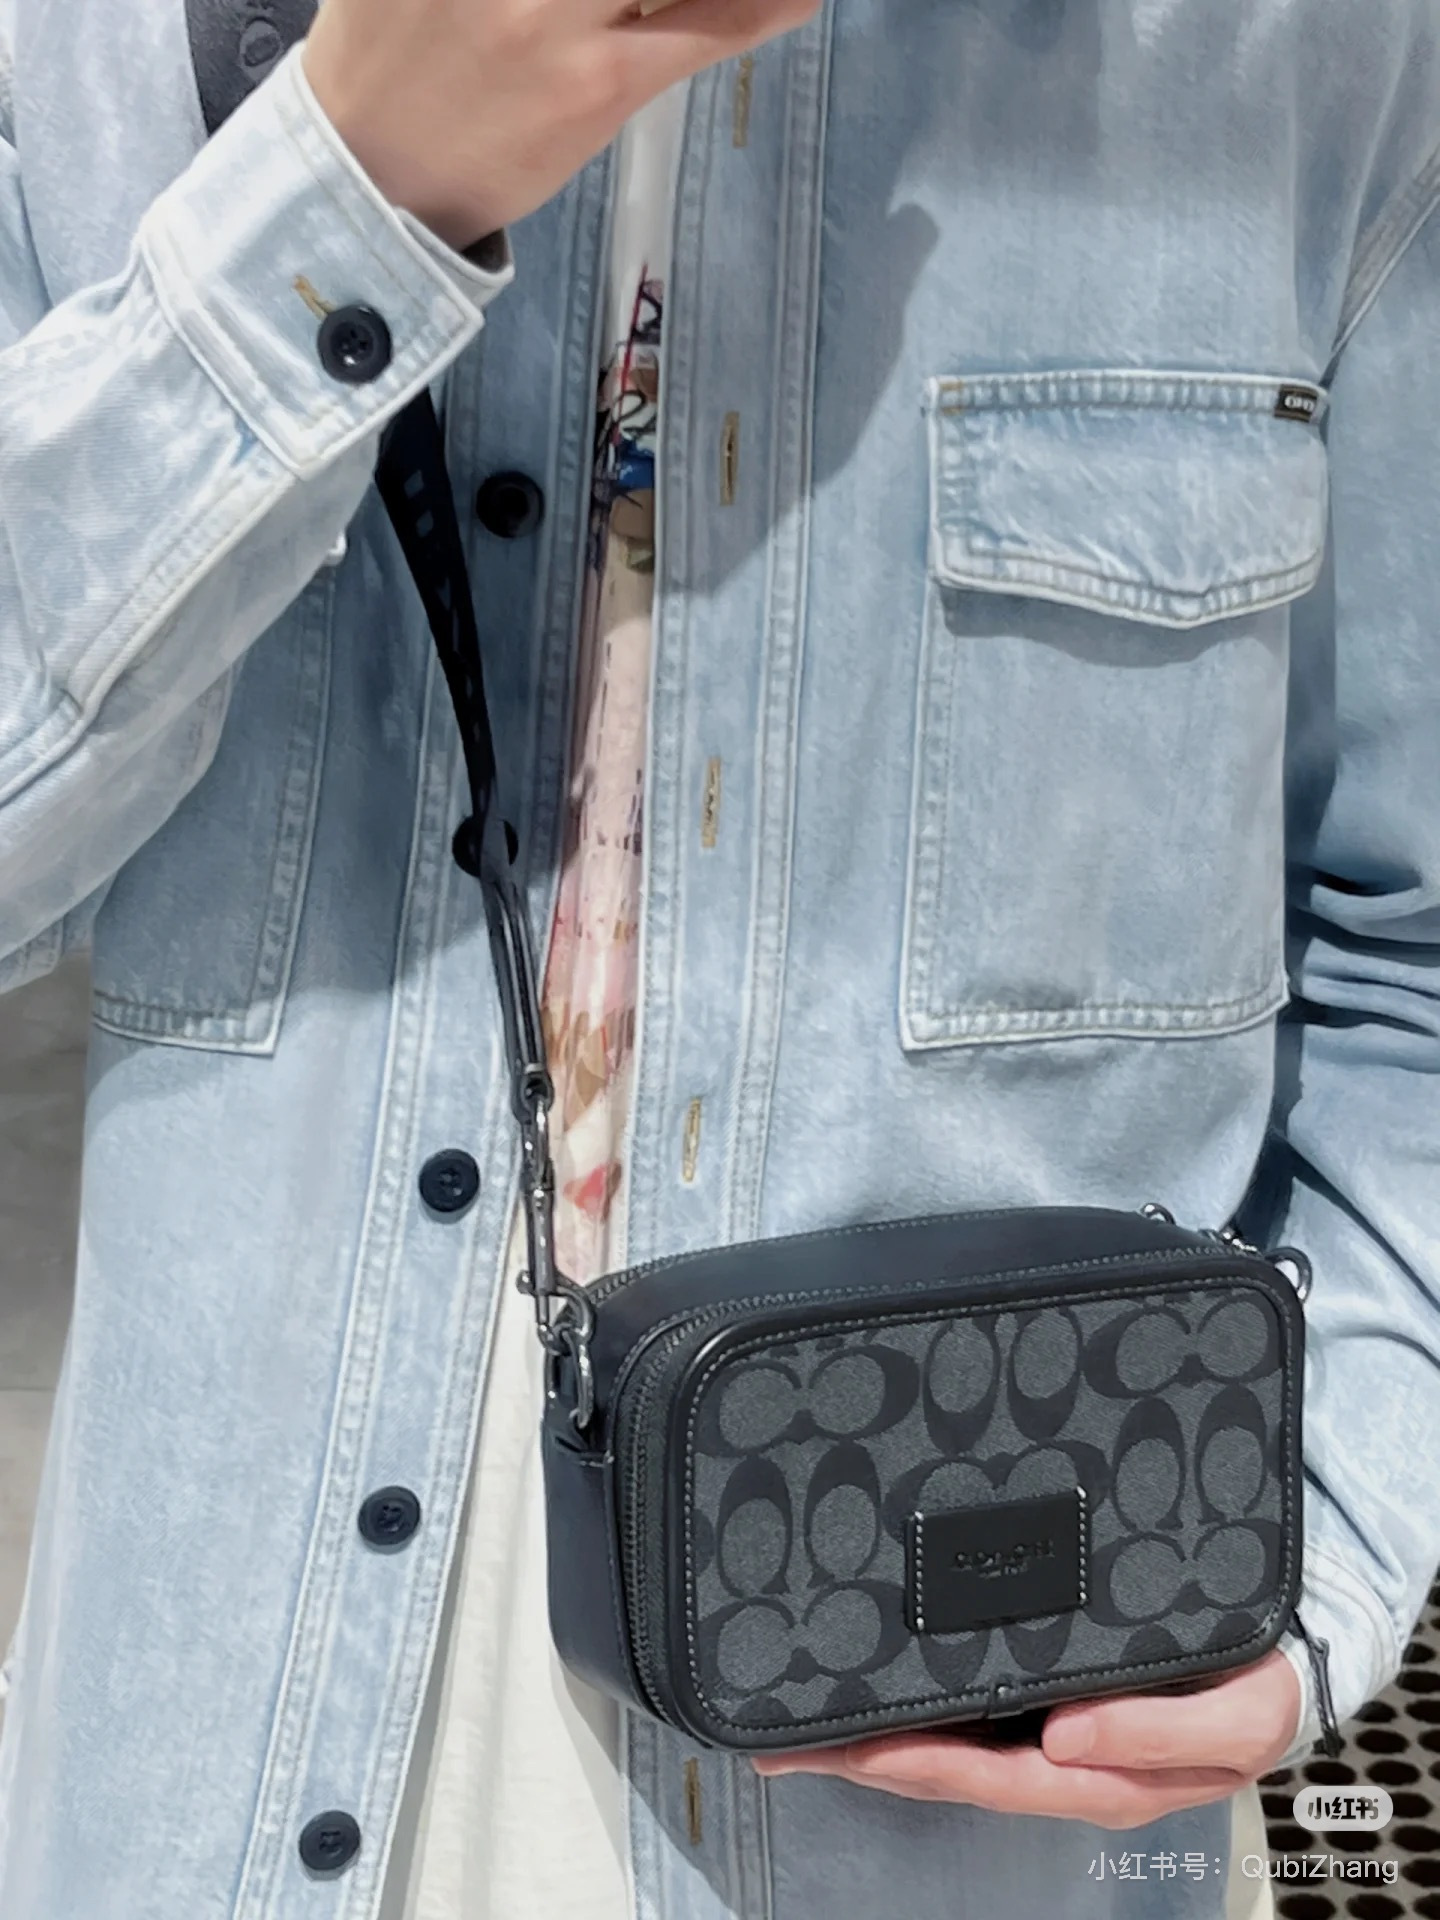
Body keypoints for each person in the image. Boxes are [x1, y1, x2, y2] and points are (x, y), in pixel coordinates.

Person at [0, 0, 1436, 1914]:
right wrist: (345, 196)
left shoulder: (1322, 55)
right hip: (209, 1758)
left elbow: (1409, 944)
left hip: (984, 1794)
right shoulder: (99, 44)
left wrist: (1313, 1538)